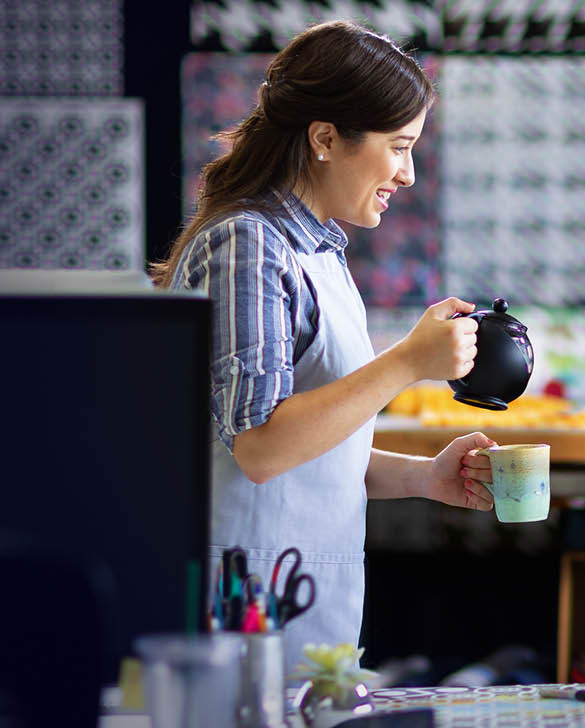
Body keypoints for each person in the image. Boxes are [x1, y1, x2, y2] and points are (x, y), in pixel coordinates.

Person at [149, 21, 499, 670]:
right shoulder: (247, 245)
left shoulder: (319, 251)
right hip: (242, 614)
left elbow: (312, 453)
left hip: (301, 607)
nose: (410, 174)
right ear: (325, 138)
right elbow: (259, 445)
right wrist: (408, 363)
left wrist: (424, 477)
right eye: (399, 147)